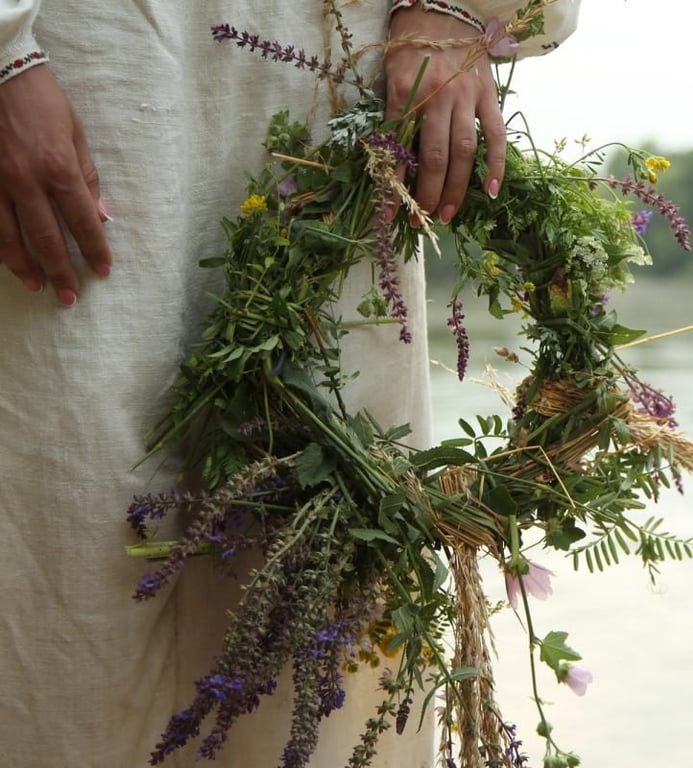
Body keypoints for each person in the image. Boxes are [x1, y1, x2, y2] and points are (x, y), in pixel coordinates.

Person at [0, 1, 580, 766]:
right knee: (72, 573)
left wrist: (458, 11)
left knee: (330, 593)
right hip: (84, 75)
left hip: (333, 94)